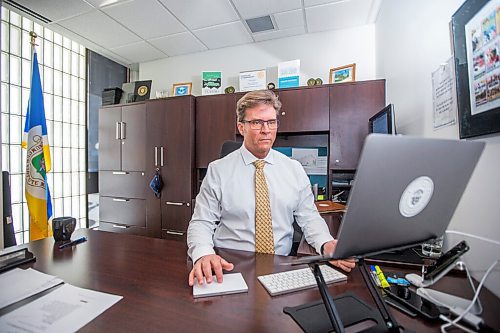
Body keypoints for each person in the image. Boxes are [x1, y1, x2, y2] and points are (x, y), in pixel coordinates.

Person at [187, 90, 356, 286]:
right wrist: (204, 254)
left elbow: (309, 218)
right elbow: (201, 222)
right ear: (241, 127)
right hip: (230, 264)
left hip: (280, 266)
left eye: (271, 122)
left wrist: (326, 243)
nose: (266, 130)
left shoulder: (293, 169)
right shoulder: (218, 171)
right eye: (257, 122)